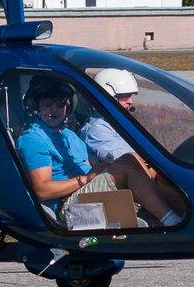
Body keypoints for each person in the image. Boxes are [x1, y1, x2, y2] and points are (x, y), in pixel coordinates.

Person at [15, 75, 182, 227]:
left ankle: (187, 212)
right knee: (130, 159)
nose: (54, 108)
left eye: (60, 103)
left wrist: (102, 169)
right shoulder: (34, 139)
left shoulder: (69, 136)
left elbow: (89, 166)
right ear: (35, 105)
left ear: (68, 106)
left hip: (85, 193)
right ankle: (173, 222)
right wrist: (85, 179)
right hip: (69, 206)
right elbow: (41, 191)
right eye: (47, 103)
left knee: (154, 169)